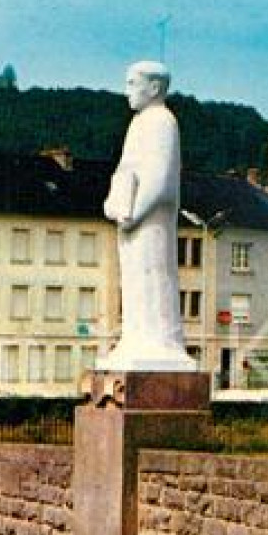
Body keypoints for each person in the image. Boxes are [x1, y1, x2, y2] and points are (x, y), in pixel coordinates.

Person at [99, 60, 194, 372]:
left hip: (150, 220)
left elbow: (160, 180)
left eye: (131, 83)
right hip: (131, 219)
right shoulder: (138, 123)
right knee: (134, 278)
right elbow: (126, 171)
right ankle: (135, 336)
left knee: (153, 275)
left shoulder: (162, 122)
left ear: (154, 88)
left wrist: (136, 214)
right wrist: (115, 205)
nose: (126, 91)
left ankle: (158, 340)